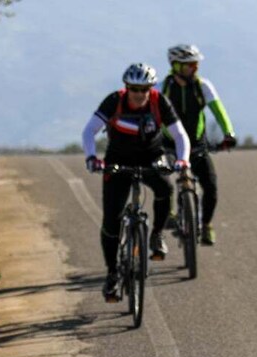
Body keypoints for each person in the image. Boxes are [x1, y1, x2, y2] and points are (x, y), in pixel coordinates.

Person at [82, 62, 190, 302]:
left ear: (150, 88)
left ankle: (156, 235)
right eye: (134, 88)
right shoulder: (114, 101)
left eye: (144, 89)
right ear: (126, 87)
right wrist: (92, 157)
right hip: (117, 162)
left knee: (165, 188)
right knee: (111, 221)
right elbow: (89, 131)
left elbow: (179, 133)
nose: (139, 94)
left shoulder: (159, 102)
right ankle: (112, 274)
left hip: (151, 158)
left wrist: (182, 160)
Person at [158, 44, 236, 245]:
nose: (194, 69)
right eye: (188, 65)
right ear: (175, 66)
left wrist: (228, 133)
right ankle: (170, 213)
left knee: (210, 186)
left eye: (195, 64)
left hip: (197, 144)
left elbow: (219, 111)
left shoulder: (203, 86)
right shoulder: (162, 88)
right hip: (169, 144)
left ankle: (206, 224)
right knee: (162, 181)